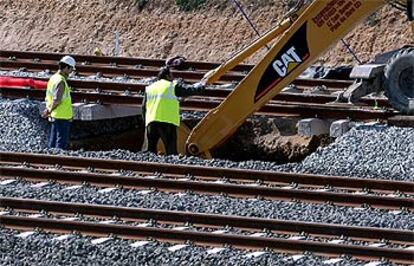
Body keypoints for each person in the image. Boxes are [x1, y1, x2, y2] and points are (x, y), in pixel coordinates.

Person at [142, 66, 205, 155]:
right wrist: (200, 87)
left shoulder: (150, 88)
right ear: (167, 76)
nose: (173, 77)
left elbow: (144, 107)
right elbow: (188, 90)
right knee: (171, 151)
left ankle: (148, 166)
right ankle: (170, 167)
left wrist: (146, 122)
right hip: (166, 122)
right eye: (171, 75)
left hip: (151, 123)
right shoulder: (171, 86)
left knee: (150, 151)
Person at [41, 56, 76, 150]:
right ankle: (57, 161)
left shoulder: (53, 78)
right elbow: (57, 100)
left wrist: (48, 111)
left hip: (56, 115)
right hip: (62, 116)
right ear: (66, 67)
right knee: (61, 143)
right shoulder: (60, 81)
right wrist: (48, 111)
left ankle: (50, 160)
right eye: (71, 69)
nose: (71, 72)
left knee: (53, 142)